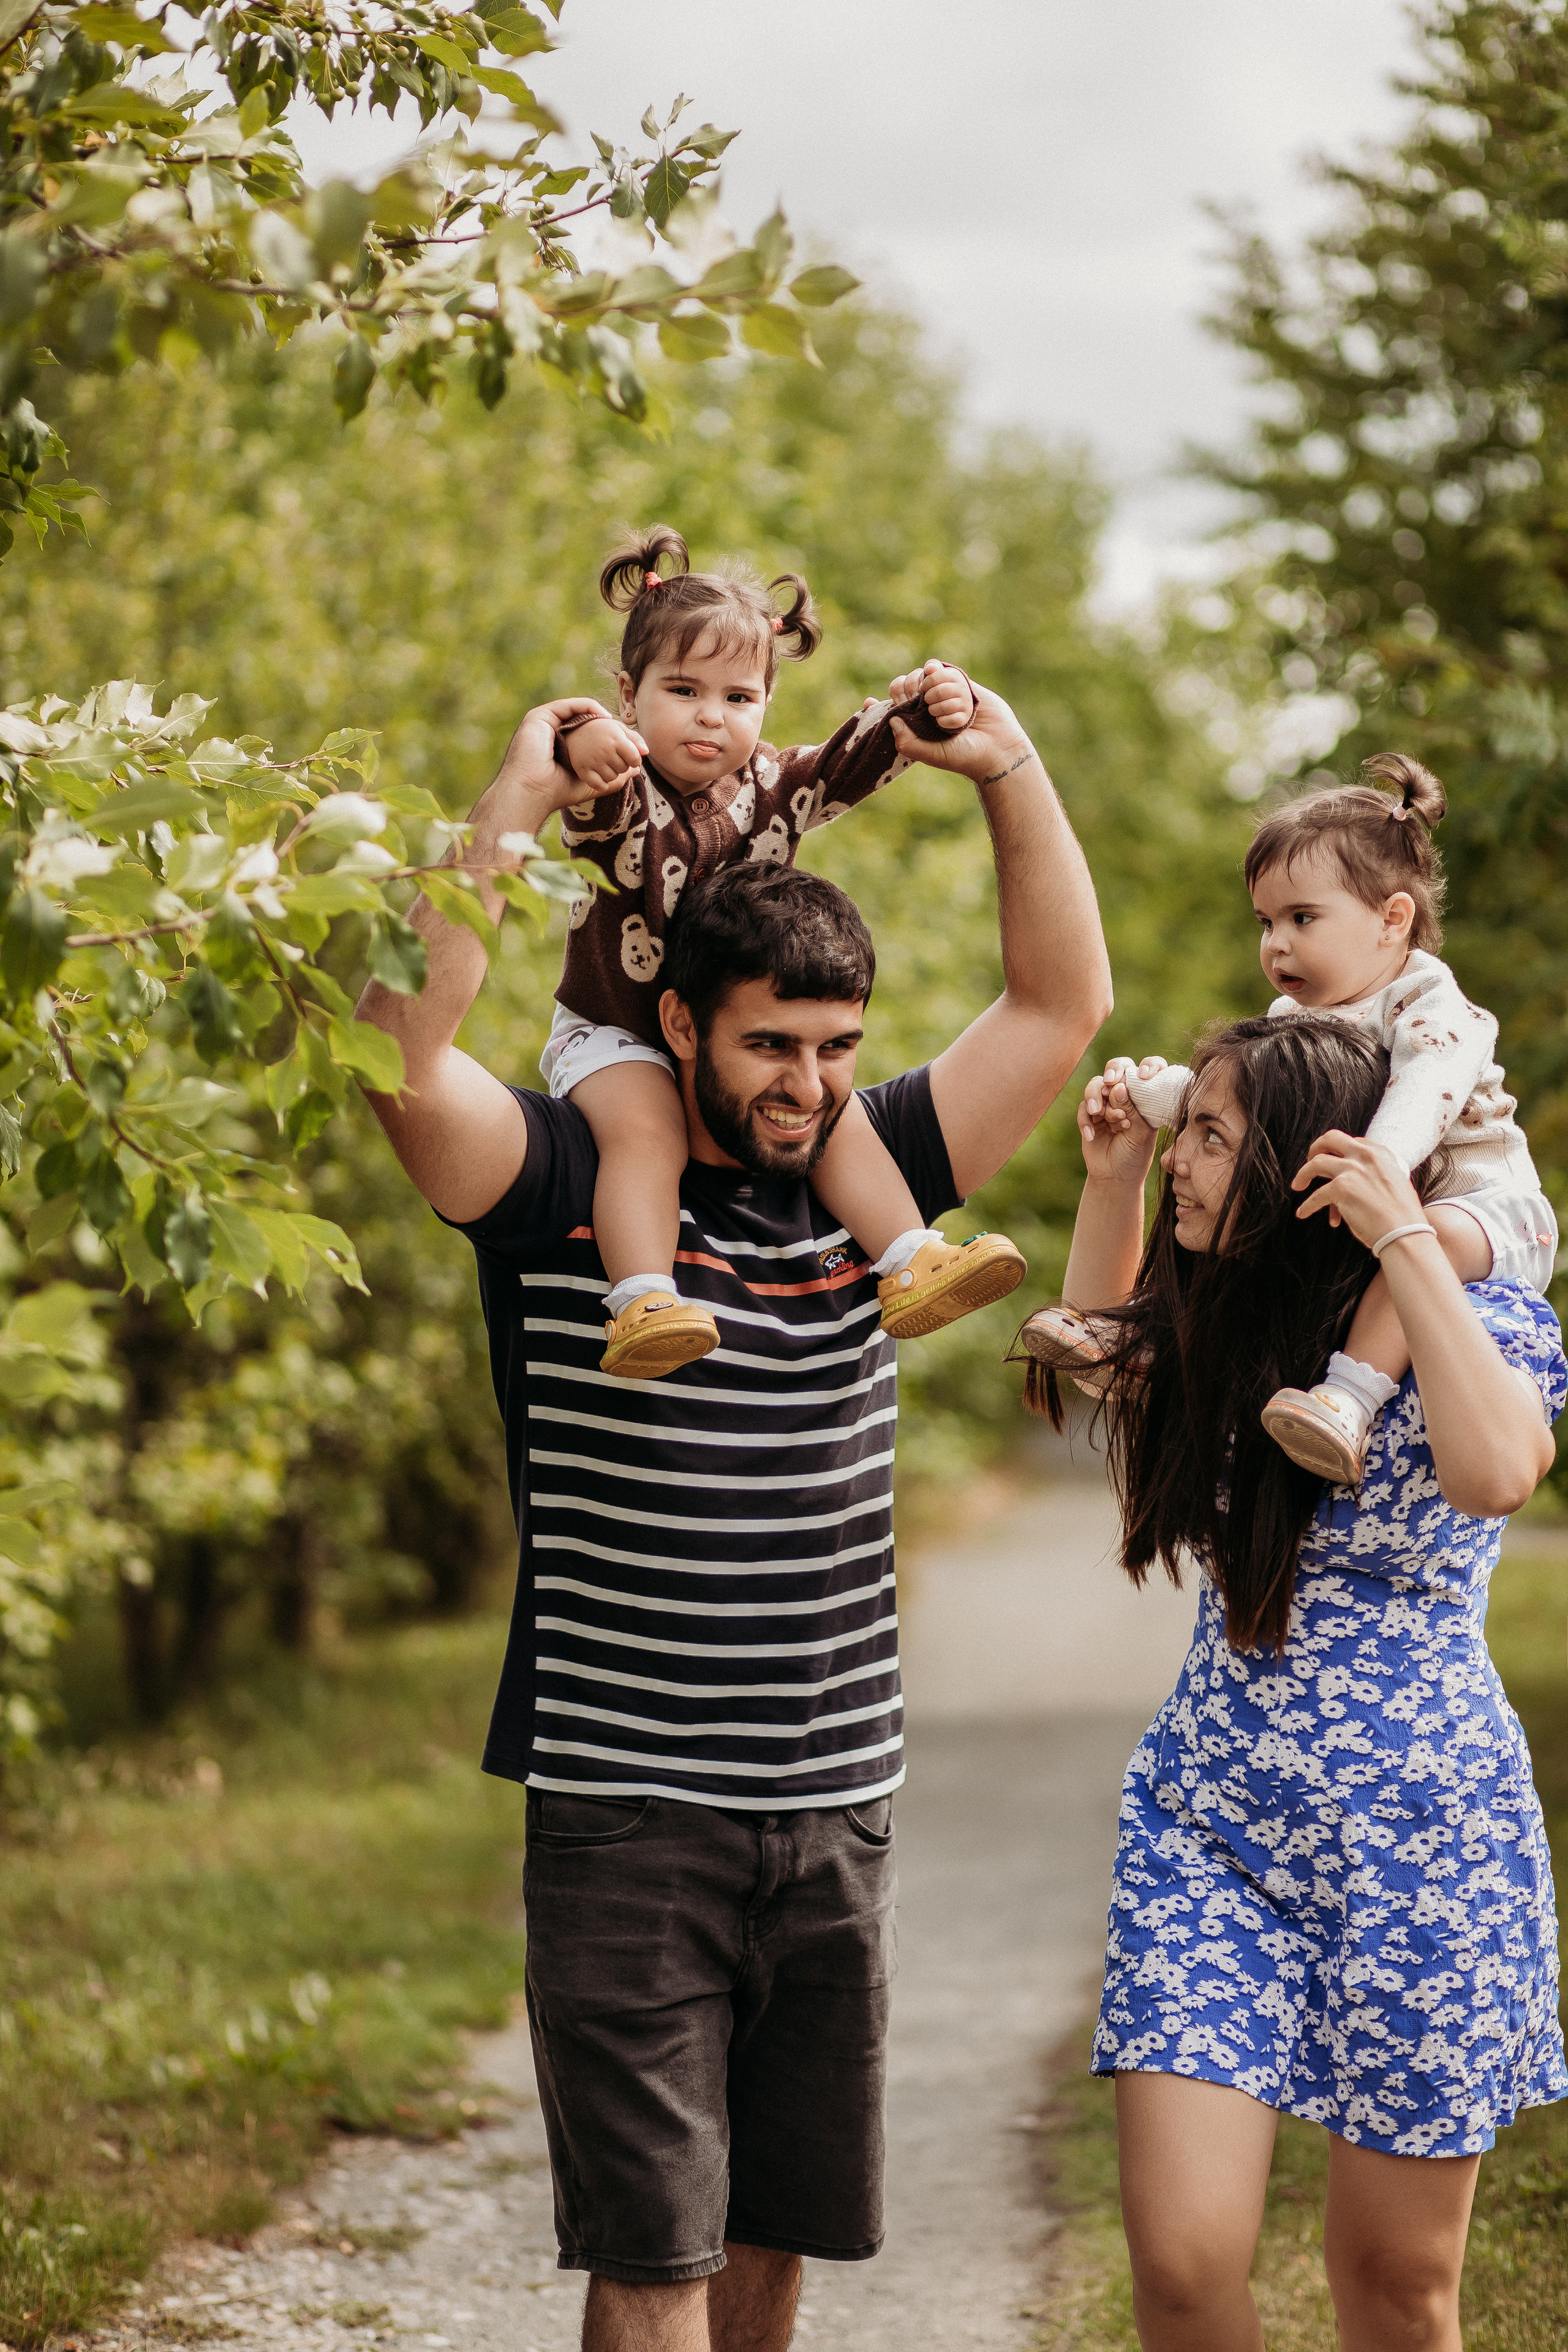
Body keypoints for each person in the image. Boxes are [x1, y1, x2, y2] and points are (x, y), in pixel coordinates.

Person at [353, 680, 1111, 2352]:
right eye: (771, 1045)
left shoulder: (873, 1176)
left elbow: (1059, 1005)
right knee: (655, 2262)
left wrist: (1008, 764)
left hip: (835, 1805)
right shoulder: (566, 1186)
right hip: (630, 1812)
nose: (809, 1085)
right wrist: (514, 795)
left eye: (837, 1048)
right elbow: (396, 1058)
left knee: (770, 2241)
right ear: (681, 1026)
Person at [1033, 1015, 1565, 2352]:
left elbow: (1498, 1472)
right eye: (1189, 1133)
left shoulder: (1475, 1316)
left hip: (1422, 1851)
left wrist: (1402, 1234)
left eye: (1212, 1139)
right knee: (1180, 2263)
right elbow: (1088, 1350)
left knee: (1396, 2287)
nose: (1184, 1159)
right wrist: (1111, 1179)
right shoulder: (1229, 1318)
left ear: (1300, 1165)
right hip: (1210, 1830)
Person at [541, 523, 1025, 1379]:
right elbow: (580, 777)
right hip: (614, 1030)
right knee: (646, 1132)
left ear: (765, 703)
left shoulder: (772, 786)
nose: (710, 716)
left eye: (739, 697)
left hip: (732, 1037)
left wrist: (921, 707)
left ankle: (909, 1257)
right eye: (682, 690)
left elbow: (848, 758)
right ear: (629, 695)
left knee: (831, 1111)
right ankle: (643, 1299)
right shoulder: (623, 790)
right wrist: (582, 741)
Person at [1023, 755, 1558, 1483]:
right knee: (1257, 1225)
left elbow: (1425, 1087)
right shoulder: (1295, 1019)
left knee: (1425, 1236)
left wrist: (1382, 1167)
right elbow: (1261, 1116)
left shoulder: (1428, 1003)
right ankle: (1151, 1336)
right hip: (1375, 1202)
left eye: (1301, 918)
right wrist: (1150, 1107)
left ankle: (1351, 1394)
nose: (1276, 943)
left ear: (1392, 920)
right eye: (1266, 922)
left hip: (1479, 1210)